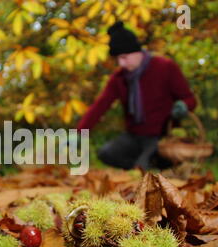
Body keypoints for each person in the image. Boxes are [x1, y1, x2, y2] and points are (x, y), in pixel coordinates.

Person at [77, 21, 197, 170]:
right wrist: (80, 133)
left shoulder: (165, 67)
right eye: (118, 59)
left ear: (136, 51)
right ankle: (143, 167)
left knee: (142, 166)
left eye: (124, 57)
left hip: (161, 136)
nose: (121, 63)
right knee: (106, 153)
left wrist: (183, 106)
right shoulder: (119, 78)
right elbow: (99, 106)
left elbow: (190, 99)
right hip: (133, 136)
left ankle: (150, 166)